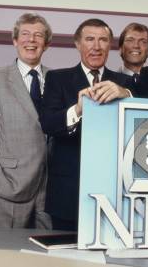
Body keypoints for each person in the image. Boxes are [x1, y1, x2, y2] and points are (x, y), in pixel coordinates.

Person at [41, 18, 133, 230]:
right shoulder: (57, 78)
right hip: (68, 192)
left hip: (115, 192)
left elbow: (142, 120)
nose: (96, 46)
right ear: (77, 44)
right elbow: (48, 124)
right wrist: (78, 109)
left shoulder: (125, 83)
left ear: (110, 45)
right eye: (90, 39)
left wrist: (126, 94)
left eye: (103, 40)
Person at [0, 13, 52, 229]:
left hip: (49, 190)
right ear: (15, 41)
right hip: (7, 187)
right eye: (25, 34)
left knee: (48, 259)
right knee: (6, 256)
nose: (31, 40)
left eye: (38, 35)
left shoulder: (57, 79)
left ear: (46, 44)